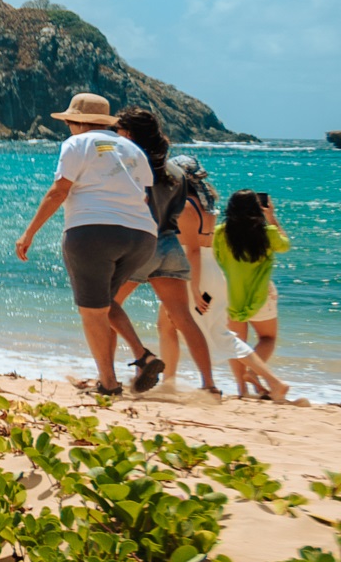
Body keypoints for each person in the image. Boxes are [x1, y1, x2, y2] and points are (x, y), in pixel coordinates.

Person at [14, 92, 168, 397]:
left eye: (70, 121)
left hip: (93, 233)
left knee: (91, 310)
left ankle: (109, 384)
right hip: (142, 237)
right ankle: (143, 356)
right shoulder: (132, 149)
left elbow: (59, 192)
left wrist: (28, 233)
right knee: (105, 302)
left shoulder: (76, 144)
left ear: (77, 122)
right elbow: (146, 197)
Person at [112, 109, 218, 393]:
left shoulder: (127, 165)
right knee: (184, 319)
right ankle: (210, 385)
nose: (116, 136)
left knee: (104, 308)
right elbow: (174, 213)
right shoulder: (175, 172)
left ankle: (109, 377)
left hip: (137, 245)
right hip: (168, 245)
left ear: (129, 134)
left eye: (119, 131)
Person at [211, 190, 295, 399]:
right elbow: (285, 246)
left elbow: (215, 260)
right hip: (261, 295)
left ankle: (242, 389)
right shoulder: (267, 232)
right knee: (267, 337)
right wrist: (271, 217)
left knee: (236, 343)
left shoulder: (220, 233)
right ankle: (252, 372)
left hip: (230, 295)